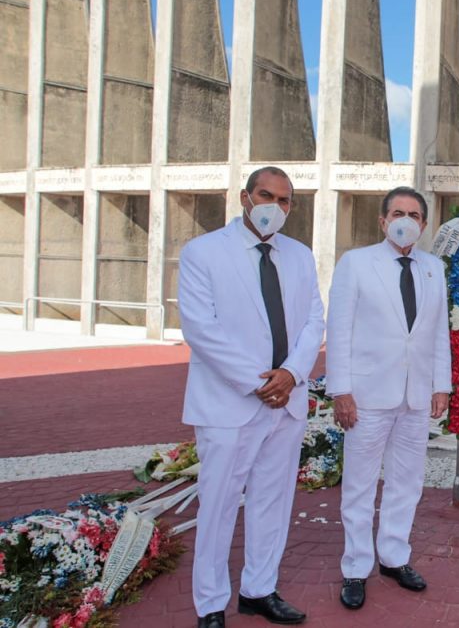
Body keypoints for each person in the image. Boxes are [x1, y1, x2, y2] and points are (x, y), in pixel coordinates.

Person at [179, 167, 325, 628]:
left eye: (284, 201)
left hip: (288, 401)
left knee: (273, 501)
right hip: (230, 404)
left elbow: (313, 322)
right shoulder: (203, 252)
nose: (274, 207)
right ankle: (210, 604)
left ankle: (259, 589)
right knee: (219, 505)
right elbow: (201, 329)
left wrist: (292, 373)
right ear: (245, 197)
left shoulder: (301, 256)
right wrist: (261, 382)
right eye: (266, 195)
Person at [326, 186, 452, 611]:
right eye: (398, 212)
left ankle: (394, 557)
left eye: (414, 214)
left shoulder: (434, 268)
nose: (406, 219)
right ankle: (356, 566)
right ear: (382, 221)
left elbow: (437, 333)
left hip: (415, 395)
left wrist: (441, 384)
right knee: (360, 485)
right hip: (366, 395)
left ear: (423, 224)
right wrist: (340, 389)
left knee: (407, 482)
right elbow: (338, 329)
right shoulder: (356, 263)